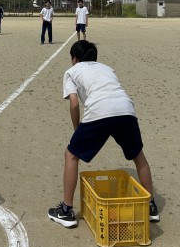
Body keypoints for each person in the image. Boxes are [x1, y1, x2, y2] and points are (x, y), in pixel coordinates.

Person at [48, 40, 159, 227]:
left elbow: (74, 103)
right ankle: (150, 206)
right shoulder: (107, 68)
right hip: (126, 109)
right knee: (139, 156)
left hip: (100, 110)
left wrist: (77, 129)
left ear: (74, 59)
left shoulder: (72, 71)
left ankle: (66, 211)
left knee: (71, 155)